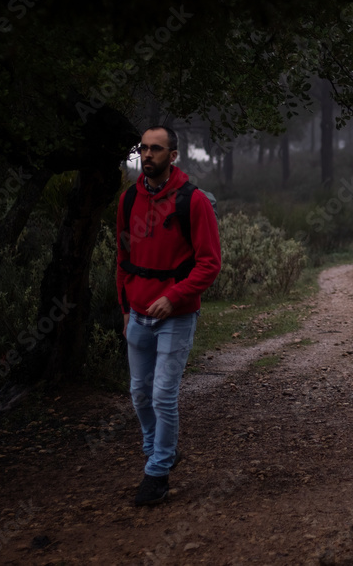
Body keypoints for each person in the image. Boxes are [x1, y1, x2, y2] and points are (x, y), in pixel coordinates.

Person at [116, 125, 221, 506]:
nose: (147, 155)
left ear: (172, 155)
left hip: (176, 316)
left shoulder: (192, 201)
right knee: (139, 394)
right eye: (143, 148)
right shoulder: (128, 201)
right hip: (137, 314)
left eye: (156, 149)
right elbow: (123, 260)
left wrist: (174, 296)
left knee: (162, 396)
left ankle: (157, 474)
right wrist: (125, 309)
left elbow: (210, 264)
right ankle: (159, 451)